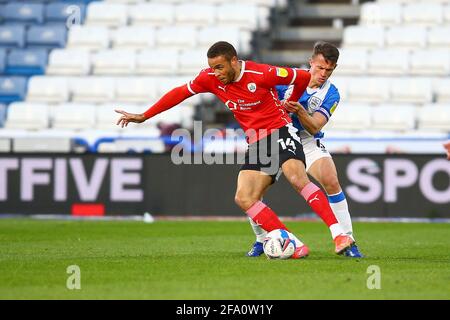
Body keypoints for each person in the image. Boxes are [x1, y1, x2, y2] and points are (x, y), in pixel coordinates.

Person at [116, 41, 354, 259]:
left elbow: (301, 76)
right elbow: (179, 92)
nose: (216, 73)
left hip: (280, 129)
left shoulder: (261, 73)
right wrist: (145, 115)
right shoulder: (209, 78)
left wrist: (291, 101)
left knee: (296, 176)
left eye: (220, 67)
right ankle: (290, 242)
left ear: (233, 61)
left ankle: (339, 234)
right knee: (244, 197)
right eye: (212, 68)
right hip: (257, 141)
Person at [246, 41, 364, 258]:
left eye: (329, 70)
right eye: (320, 67)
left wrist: (299, 111)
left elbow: (315, 126)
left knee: (331, 180)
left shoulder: (331, 94)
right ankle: (261, 240)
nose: (323, 73)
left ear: (334, 69)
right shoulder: (287, 79)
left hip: (306, 140)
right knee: (254, 192)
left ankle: (347, 239)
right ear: (311, 62)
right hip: (277, 137)